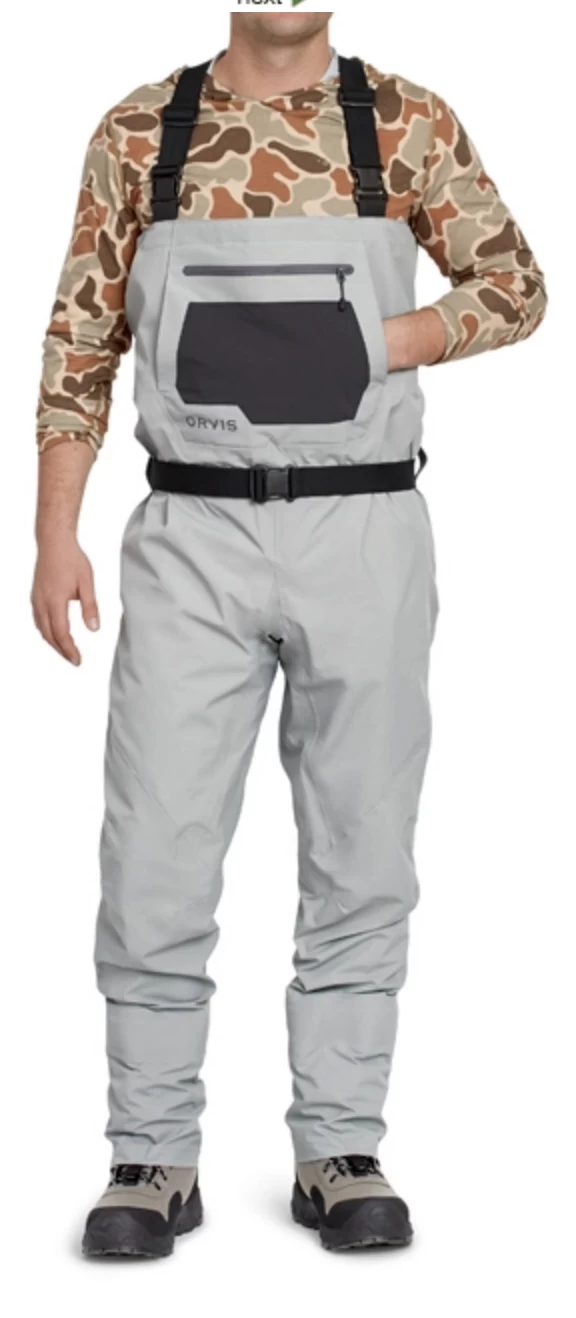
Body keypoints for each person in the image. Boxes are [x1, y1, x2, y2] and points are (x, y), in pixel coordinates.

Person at [32, 10, 546, 1258]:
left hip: (364, 527)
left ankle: (341, 1148)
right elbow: (80, 340)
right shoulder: (140, 130)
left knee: (362, 847)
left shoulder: (404, 121)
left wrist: (385, 340)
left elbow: (516, 287)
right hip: (191, 531)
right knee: (154, 848)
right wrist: (54, 533)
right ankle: (151, 1154)